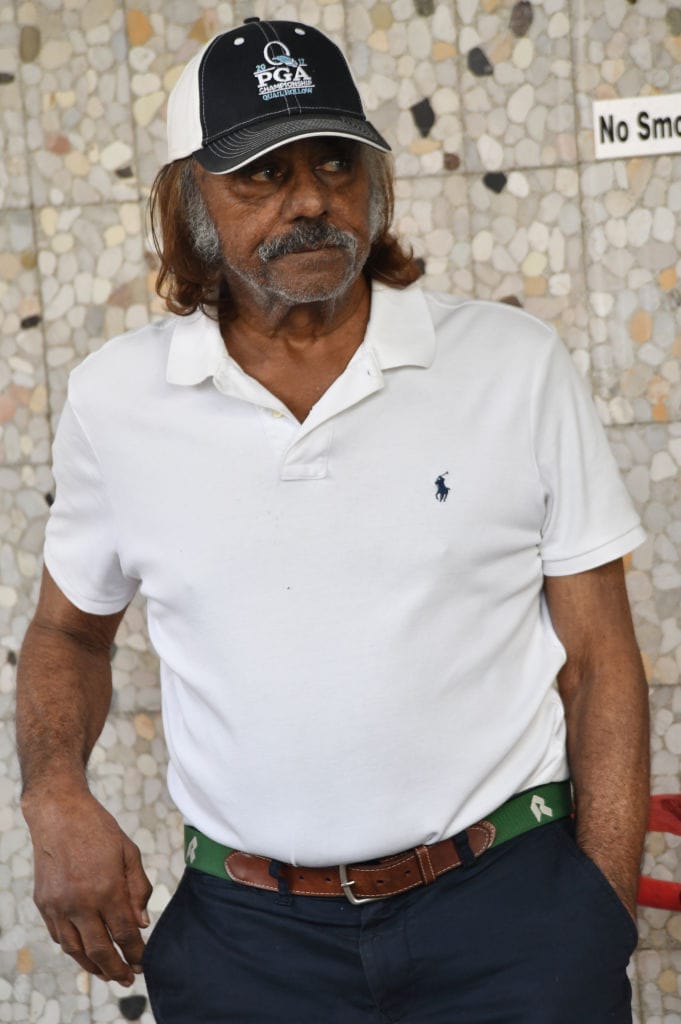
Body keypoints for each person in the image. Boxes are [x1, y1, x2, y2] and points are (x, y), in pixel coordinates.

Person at [17, 17, 650, 1024]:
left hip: (510, 917)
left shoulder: (512, 365)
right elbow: (67, 632)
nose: (310, 199)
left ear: (373, 181)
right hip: (247, 945)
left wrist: (596, 918)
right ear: (188, 199)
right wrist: (54, 794)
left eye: (334, 163)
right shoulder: (117, 400)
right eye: (262, 174)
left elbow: (601, 659)